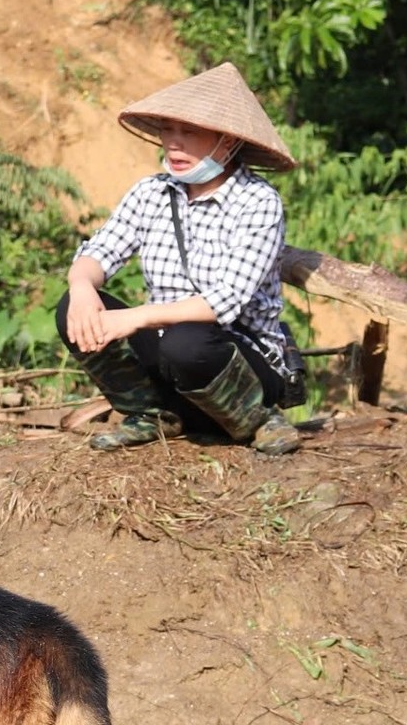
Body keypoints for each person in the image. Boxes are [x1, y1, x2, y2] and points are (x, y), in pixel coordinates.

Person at [57, 62, 304, 457]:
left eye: (189, 132)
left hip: (238, 358)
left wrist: (135, 317)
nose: (174, 143)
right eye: (168, 131)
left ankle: (258, 418)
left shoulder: (258, 202)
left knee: (185, 339)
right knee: (73, 308)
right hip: (170, 355)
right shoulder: (150, 193)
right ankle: (153, 414)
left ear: (227, 142)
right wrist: (82, 286)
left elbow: (226, 300)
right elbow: (100, 251)